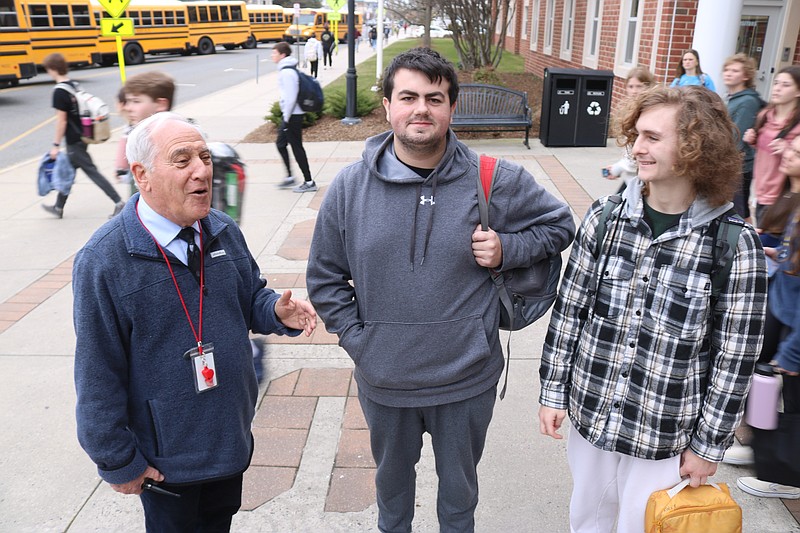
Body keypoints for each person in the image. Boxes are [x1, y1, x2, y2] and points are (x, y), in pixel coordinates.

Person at [306, 47, 575, 532]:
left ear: (452, 107)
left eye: (435, 98)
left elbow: (560, 225)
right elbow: (325, 279)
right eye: (408, 97)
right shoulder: (348, 188)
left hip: (466, 378)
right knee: (392, 500)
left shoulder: (496, 179)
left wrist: (507, 248)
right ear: (387, 105)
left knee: (458, 501)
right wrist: (361, 342)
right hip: (386, 379)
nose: (421, 109)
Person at [538, 85, 768, 533]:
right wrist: (553, 390)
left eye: (652, 138)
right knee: (587, 522)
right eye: (636, 135)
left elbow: (735, 359)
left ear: (695, 147)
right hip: (592, 413)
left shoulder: (735, 245)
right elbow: (570, 311)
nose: (637, 148)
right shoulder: (604, 218)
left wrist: (708, 446)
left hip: (665, 432)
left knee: (642, 527)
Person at [72, 112, 316, 531]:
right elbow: (97, 373)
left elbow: (249, 296)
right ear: (142, 175)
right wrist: (118, 462)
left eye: (204, 156)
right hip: (167, 461)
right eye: (182, 160)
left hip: (228, 439)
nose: (202, 169)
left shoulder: (220, 228)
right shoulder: (104, 261)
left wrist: (275, 310)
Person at [736, 135, 800, 499]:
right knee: (766, 386)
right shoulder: (793, 199)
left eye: (797, 152)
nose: (787, 152)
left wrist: (793, 350)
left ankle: (787, 475)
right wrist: (776, 251)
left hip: (795, 325)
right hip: (782, 310)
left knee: (793, 401)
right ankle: (765, 453)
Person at [41, 53, 124, 219]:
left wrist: (56, 145)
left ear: (53, 69)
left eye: (48, 69)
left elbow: (61, 121)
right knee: (69, 172)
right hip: (83, 135)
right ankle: (59, 206)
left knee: (91, 171)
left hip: (73, 139)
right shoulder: (74, 85)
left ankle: (118, 202)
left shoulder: (59, 91)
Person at [744, 65, 800, 225]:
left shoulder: (797, 125)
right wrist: (753, 140)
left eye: (785, 85)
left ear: (798, 92)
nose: (777, 88)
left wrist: (788, 150)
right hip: (761, 190)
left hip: (784, 196)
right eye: (776, 83)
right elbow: (765, 150)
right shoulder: (765, 115)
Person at [117, 71, 176, 191]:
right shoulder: (139, 133)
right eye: (128, 101)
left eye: (136, 101)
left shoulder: (171, 139)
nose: (128, 108)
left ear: (160, 104)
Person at [724, 53, 764, 220]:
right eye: (727, 69)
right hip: (732, 163)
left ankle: (744, 243)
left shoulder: (747, 101)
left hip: (739, 165)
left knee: (738, 211)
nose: (728, 73)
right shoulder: (734, 99)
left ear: (746, 76)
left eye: (735, 70)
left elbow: (736, 137)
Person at [272, 42, 316, 193]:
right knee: (280, 144)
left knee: (297, 147)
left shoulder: (287, 72)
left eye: (274, 53)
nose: (272, 55)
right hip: (291, 115)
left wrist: (286, 118)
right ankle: (290, 176)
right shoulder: (287, 70)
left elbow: (291, 98)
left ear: (282, 55)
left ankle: (309, 181)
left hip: (292, 116)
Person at [604, 66, 654, 192]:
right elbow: (629, 152)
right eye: (631, 86)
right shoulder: (630, 111)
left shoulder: (648, 113)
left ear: (649, 86)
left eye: (639, 86)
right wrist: (619, 166)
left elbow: (637, 156)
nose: (634, 91)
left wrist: (618, 168)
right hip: (631, 178)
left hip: (642, 180)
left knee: (614, 208)